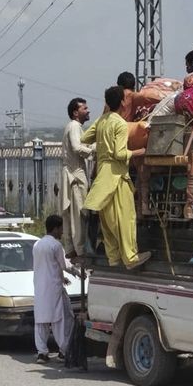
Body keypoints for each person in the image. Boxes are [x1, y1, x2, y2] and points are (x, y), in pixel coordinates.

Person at [83, 86, 151, 270]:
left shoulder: (101, 121)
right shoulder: (120, 124)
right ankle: (131, 258)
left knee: (108, 219)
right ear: (123, 101)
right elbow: (120, 154)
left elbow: (85, 138)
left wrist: (101, 134)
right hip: (117, 175)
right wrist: (140, 151)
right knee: (126, 218)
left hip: (102, 176)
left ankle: (113, 258)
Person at [32, 215, 79, 364]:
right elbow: (64, 265)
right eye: (61, 229)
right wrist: (79, 272)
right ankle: (64, 352)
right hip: (54, 289)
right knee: (60, 320)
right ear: (55, 228)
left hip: (40, 287)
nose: (62, 233)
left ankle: (42, 353)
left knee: (41, 320)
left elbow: (49, 266)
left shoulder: (37, 245)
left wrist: (61, 277)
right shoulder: (56, 245)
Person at [61, 97, 96, 259]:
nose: (88, 110)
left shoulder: (73, 127)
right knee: (79, 213)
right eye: (84, 108)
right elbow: (76, 147)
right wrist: (93, 152)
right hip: (75, 174)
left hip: (72, 172)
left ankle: (70, 248)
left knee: (71, 214)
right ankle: (80, 250)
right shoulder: (75, 126)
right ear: (76, 113)